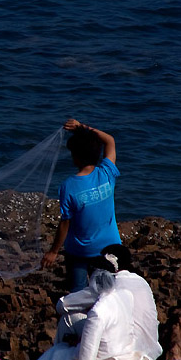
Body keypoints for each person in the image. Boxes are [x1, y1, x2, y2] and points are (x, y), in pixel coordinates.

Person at [19, 244, 162, 360]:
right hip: (149, 351)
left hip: (122, 353)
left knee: (68, 321)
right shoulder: (140, 283)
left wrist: (89, 299)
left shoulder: (108, 287)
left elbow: (62, 305)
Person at [41, 118, 122, 292]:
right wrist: (81, 127)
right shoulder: (107, 172)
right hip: (110, 247)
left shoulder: (68, 186)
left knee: (78, 293)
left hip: (80, 252)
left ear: (75, 157)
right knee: (106, 293)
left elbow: (65, 224)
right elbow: (109, 140)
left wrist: (54, 251)